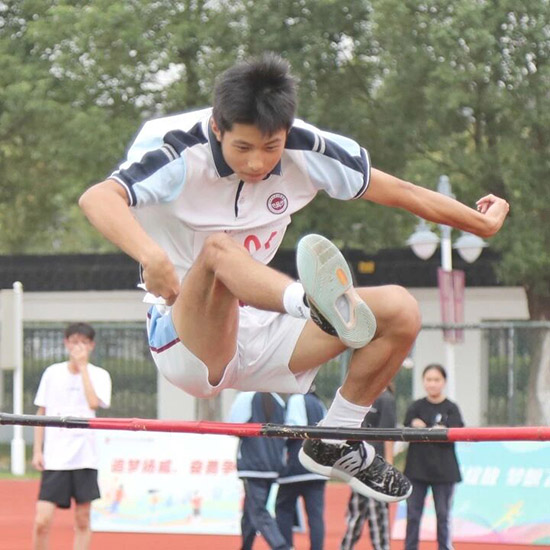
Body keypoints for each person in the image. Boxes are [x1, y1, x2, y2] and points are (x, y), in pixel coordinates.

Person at [79, 52, 509, 503]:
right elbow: (99, 197)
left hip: (265, 326)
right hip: (188, 337)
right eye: (243, 148)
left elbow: (400, 191)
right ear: (217, 128)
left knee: (400, 310)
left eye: (271, 148)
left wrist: (479, 224)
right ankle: (310, 303)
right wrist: (150, 255)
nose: (257, 163)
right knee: (218, 250)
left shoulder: (308, 148)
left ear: (285, 132)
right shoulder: (176, 148)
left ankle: (336, 437)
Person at [31, 322, 112, 550]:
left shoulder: (100, 375)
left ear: (92, 346)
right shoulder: (52, 373)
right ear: (66, 343)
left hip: (85, 457)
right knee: (42, 520)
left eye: (84, 343)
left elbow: (94, 403)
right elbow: (41, 412)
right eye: (74, 342)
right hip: (56, 457)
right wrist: (37, 450)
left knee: (82, 519)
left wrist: (83, 368)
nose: (78, 347)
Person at [403, 364, 464, 550]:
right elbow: (406, 427)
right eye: (428, 379)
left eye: (436, 380)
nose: (432, 384)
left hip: (444, 472)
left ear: (444, 382)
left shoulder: (451, 408)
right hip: (416, 470)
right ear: (423, 382)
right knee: (413, 515)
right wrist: (415, 426)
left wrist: (441, 431)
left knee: (443, 515)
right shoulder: (416, 407)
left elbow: (458, 431)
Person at [228, 391, 289, 550]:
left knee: (257, 511)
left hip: (252, 463)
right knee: (250, 511)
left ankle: (281, 546)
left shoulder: (246, 397)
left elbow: (233, 426)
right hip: (273, 463)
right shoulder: (278, 401)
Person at [340, 385, 396, 550]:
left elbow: (388, 435)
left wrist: (388, 465)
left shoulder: (386, 399)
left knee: (377, 512)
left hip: (376, 465)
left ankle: (381, 547)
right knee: (356, 511)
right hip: (360, 463)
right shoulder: (364, 396)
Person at [276, 386, 328, 550]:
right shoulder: (319, 403)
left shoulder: (296, 399)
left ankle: (286, 546)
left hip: (297, 465)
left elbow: (293, 429)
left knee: (283, 508)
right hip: (318, 467)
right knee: (315, 515)